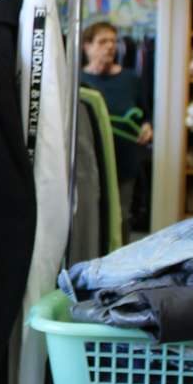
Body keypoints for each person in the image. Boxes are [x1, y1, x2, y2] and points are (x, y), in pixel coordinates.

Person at [78, 20, 152, 236]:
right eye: (102, 41)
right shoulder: (78, 80)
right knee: (91, 215)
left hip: (124, 162)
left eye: (113, 41)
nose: (110, 46)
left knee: (121, 217)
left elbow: (145, 114)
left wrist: (147, 127)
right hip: (90, 162)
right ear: (87, 46)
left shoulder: (130, 80)